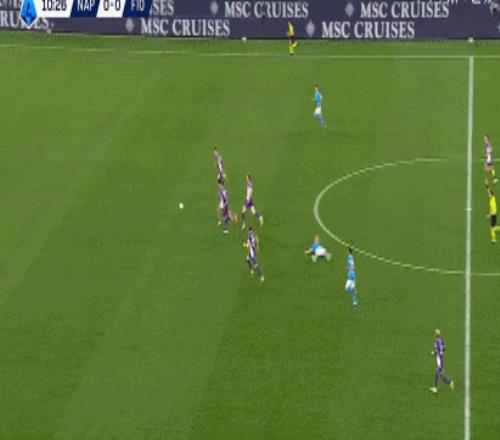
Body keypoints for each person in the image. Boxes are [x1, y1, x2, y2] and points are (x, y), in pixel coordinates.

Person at [430, 329, 455, 394]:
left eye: (435, 333)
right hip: (441, 359)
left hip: (440, 361)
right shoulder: (442, 341)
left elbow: (436, 352)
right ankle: (450, 382)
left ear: (435, 335)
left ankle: (435, 388)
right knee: (441, 375)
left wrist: (433, 353)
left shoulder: (436, 342)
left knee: (437, 374)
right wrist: (441, 352)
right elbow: (444, 349)